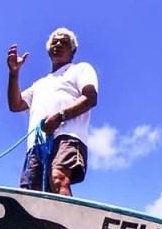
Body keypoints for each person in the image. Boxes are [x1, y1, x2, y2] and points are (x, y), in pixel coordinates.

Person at [7, 27, 98, 196]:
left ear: (73, 51)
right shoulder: (40, 83)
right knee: (31, 193)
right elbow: (16, 104)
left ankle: (68, 221)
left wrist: (60, 116)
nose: (57, 44)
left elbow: (90, 98)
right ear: (49, 50)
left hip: (67, 135)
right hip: (35, 143)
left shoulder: (81, 69)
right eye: (54, 42)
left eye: (63, 42)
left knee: (58, 178)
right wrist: (14, 74)